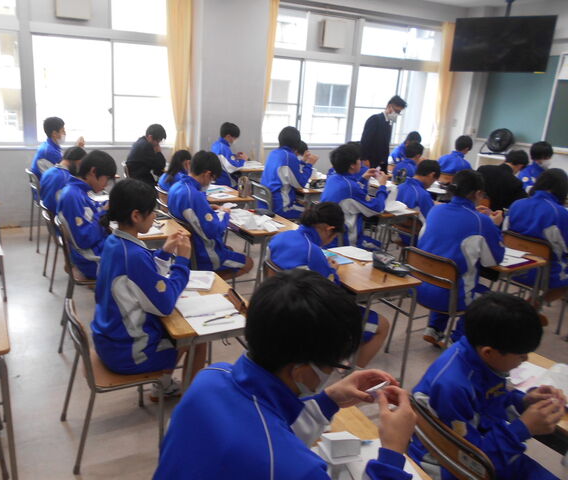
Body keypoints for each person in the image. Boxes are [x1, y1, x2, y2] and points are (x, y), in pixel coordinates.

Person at [154, 269, 416, 479]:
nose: (334, 371)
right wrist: (393, 453)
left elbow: (264, 427)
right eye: (333, 365)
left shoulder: (210, 377)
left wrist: (329, 400)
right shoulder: (297, 470)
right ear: (300, 371)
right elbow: (272, 450)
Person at [410, 292, 566, 480]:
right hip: (452, 467)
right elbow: (471, 462)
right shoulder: (452, 387)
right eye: (521, 355)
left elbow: (491, 403)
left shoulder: (481, 357)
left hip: (487, 446)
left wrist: (524, 401)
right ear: (489, 352)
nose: (525, 359)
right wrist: (523, 429)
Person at [91, 178, 206, 399]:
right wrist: (183, 261)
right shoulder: (133, 256)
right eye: (152, 212)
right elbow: (164, 305)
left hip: (108, 339)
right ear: (136, 216)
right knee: (196, 338)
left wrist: (164, 252)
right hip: (128, 353)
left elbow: (141, 277)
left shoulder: (114, 243)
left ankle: (165, 385)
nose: (155, 216)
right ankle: (189, 402)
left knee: (175, 328)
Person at [267, 202, 389, 368]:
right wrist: (333, 271)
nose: (329, 241)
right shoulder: (313, 252)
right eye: (334, 236)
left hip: (277, 307)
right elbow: (331, 293)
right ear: (329, 229)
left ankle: (337, 355)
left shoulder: (281, 236)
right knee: (382, 324)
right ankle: (354, 372)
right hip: (306, 320)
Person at [417, 169, 504, 346]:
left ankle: (434, 328)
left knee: (446, 268)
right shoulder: (481, 222)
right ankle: (455, 338)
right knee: (488, 299)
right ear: (478, 193)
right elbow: (493, 260)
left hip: (421, 286)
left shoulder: (436, 210)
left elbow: (422, 241)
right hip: (451, 296)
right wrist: (494, 226)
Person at [168, 150, 253, 277]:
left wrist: (208, 207)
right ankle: (211, 281)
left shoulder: (176, 187)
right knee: (248, 262)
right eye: (212, 179)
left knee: (229, 249)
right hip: (204, 255)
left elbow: (192, 214)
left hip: (184, 251)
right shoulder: (195, 196)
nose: (210, 183)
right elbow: (213, 231)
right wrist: (225, 214)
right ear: (207, 174)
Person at [505, 168, 568, 307]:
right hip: (542, 274)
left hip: (511, 266)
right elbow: (564, 249)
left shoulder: (517, 204)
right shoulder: (560, 214)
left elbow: (504, 234)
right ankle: (535, 305)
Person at [57, 150, 117, 279]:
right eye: (107, 179)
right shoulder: (72, 196)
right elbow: (84, 239)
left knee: (132, 247)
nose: (106, 185)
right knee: (135, 256)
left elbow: (91, 212)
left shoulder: (80, 191)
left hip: (96, 249)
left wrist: (105, 207)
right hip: (92, 260)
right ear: (93, 171)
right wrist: (104, 212)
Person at [320, 142, 387, 249]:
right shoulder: (350, 187)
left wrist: (363, 179)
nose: (361, 162)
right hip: (344, 241)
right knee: (380, 248)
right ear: (352, 165)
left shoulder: (333, 178)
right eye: (359, 159)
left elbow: (351, 195)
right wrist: (382, 186)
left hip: (327, 236)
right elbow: (378, 208)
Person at [260, 126, 316, 219]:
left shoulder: (274, 153)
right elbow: (300, 184)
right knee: (313, 213)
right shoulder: (289, 157)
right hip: (281, 208)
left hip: (266, 203)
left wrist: (303, 162)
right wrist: (309, 165)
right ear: (297, 143)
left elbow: (287, 170)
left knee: (304, 204)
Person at [396, 160, 440, 244]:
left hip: (399, 230)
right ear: (432, 175)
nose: (431, 184)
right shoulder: (422, 194)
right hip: (417, 238)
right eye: (433, 181)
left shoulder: (399, 187)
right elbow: (431, 220)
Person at [360, 95, 407, 172]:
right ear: (389, 106)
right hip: (370, 161)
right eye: (396, 111)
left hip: (382, 163)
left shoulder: (389, 123)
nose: (397, 114)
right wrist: (364, 159)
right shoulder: (375, 119)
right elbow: (365, 141)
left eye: (399, 112)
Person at [39, 146, 86, 213]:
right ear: (77, 161)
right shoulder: (66, 178)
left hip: (48, 209)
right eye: (80, 165)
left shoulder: (49, 171)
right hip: (57, 213)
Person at [210, 122, 247, 187]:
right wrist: (243, 160)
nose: (235, 140)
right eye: (235, 138)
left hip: (219, 178)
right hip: (224, 182)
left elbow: (225, 159)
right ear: (228, 136)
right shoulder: (222, 148)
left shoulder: (217, 144)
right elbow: (232, 167)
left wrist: (235, 157)